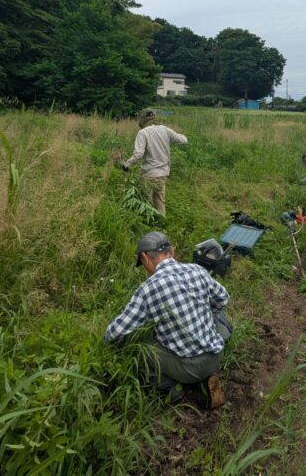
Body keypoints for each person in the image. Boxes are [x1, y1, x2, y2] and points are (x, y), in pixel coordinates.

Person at [104, 231, 231, 408]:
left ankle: (172, 387)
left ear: (145, 258)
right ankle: (206, 376)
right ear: (171, 251)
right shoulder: (197, 270)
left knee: (140, 344)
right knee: (218, 317)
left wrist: (106, 346)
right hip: (216, 355)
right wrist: (205, 315)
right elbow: (223, 298)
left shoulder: (148, 288)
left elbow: (115, 332)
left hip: (190, 369)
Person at [121, 109, 188, 216]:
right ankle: (161, 222)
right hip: (163, 173)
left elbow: (138, 154)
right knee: (160, 201)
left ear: (142, 120)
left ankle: (146, 225)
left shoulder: (143, 133)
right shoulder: (165, 130)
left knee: (146, 202)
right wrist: (181, 135)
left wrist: (126, 164)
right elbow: (184, 140)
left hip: (149, 174)